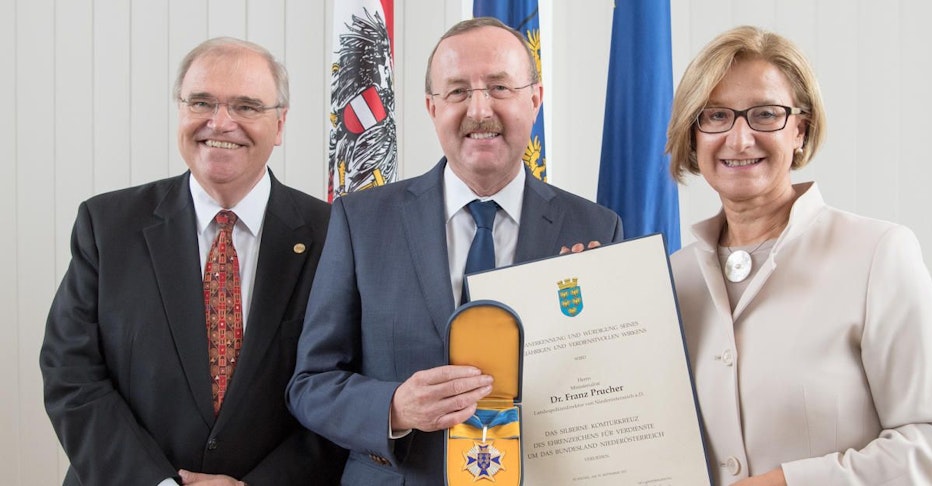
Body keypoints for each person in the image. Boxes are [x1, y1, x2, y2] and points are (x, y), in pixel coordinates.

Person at [286, 17, 623, 485]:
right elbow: (310, 385)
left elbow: (614, 383)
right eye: (458, 91)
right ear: (431, 107)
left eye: (499, 87)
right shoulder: (360, 221)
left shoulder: (596, 228)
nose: (479, 110)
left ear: (535, 99)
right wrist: (395, 407)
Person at [666, 26, 932, 485]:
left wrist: (788, 482)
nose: (739, 139)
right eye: (715, 116)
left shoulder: (877, 255)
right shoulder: (671, 279)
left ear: (801, 129)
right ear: (693, 135)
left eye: (765, 114)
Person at [40, 37, 345, 485]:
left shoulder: (335, 235)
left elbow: (346, 385)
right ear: (180, 111)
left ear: (279, 125)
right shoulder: (106, 226)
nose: (220, 123)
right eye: (201, 101)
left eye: (246, 106)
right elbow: (72, 377)